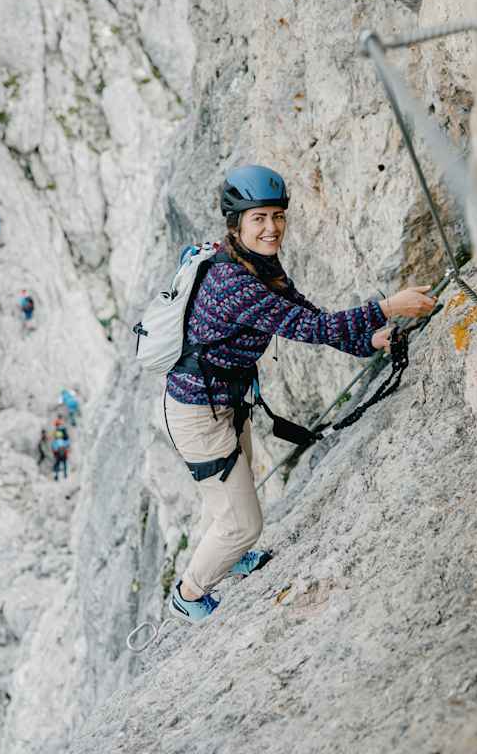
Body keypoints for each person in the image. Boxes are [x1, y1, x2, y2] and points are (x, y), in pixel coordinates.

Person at [162, 164, 438, 624]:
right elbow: (308, 328)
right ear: (237, 225)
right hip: (199, 411)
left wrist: (363, 340)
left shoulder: (256, 262)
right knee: (243, 523)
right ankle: (189, 595)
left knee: (233, 492)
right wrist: (387, 307)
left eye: (277, 216)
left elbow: (305, 313)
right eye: (259, 219)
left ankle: (230, 557)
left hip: (223, 402)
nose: (271, 229)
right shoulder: (233, 282)